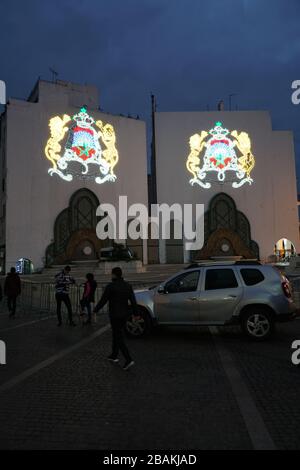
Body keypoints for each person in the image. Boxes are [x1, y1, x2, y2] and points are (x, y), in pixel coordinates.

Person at [94, 266, 138, 371]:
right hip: (124, 315)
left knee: (118, 337)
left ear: (114, 274)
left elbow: (103, 300)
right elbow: (133, 301)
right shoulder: (128, 286)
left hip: (114, 315)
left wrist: (95, 310)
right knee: (116, 334)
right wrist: (136, 314)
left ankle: (128, 359)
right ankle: (114, 355)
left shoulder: (111, 286)